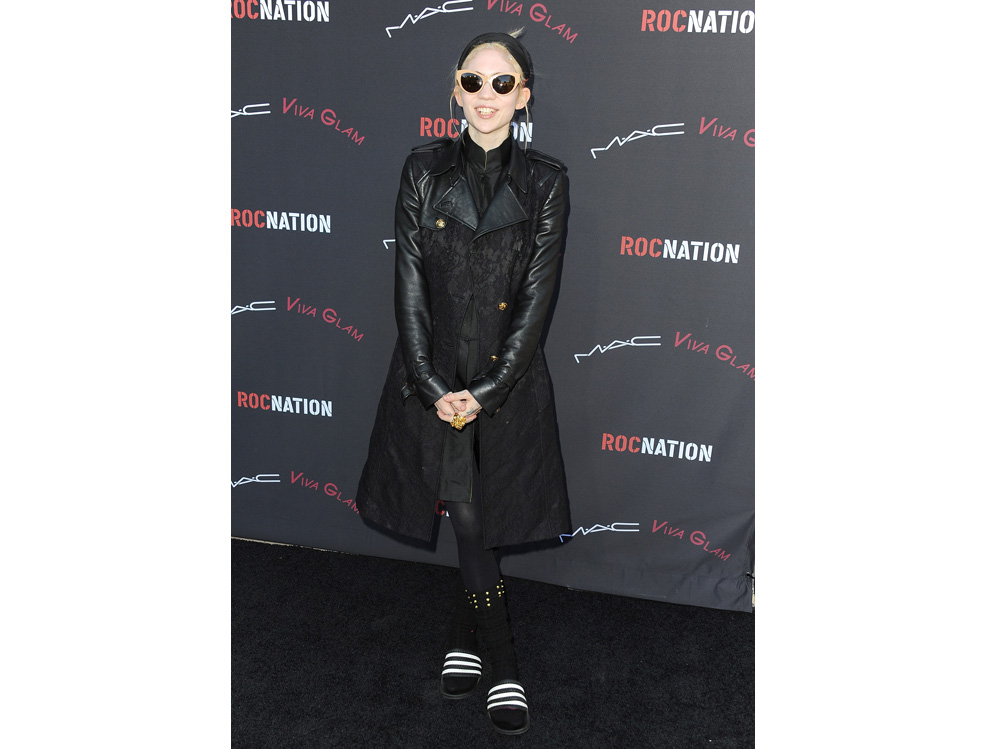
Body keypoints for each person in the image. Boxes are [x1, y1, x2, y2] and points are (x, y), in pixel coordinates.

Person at [356, 29, 571, 736]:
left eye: (502, 83)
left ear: (523, 95)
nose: (486, 95)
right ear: (455, 90)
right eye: (473, 81)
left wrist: (488, 389)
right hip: (436, 376)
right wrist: (430, 382)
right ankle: (503, 661)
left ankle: (465, 634)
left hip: (504, 383)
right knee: (471, 513)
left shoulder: (547, 183)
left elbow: (536, 302)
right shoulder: (422, 170)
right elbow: (409, 286)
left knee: (482, 513)